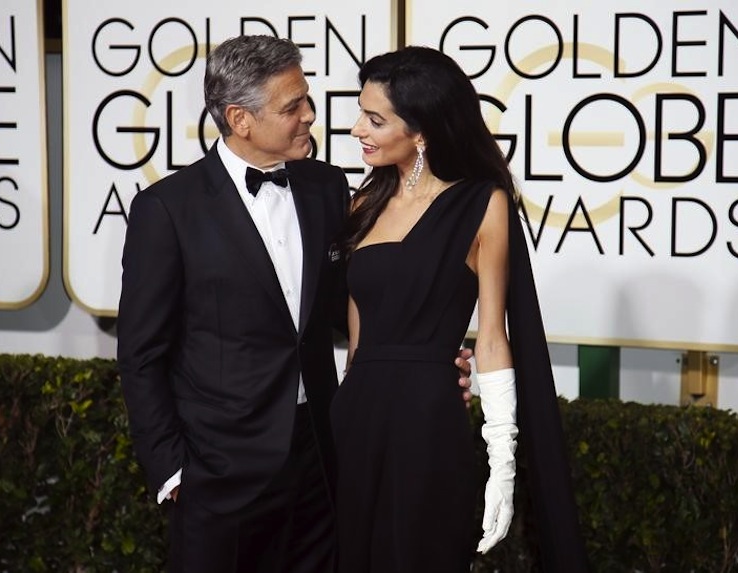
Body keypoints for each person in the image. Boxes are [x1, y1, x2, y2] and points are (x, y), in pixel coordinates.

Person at [116, 35, 473, 573]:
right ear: (240, 118)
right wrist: (172, 472)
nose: (310, 115)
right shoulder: (166, 210)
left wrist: (427, 355)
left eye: (307, 99)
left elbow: (348, 307)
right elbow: (141, 353)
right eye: (292, 107)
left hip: (321, 459)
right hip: (220, 470)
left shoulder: (327, 187)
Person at [330, 46, 589, 572]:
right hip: (354, 419)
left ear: (421, 130)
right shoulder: (363, 203)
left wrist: (502, 463)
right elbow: (359, 343)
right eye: (360, 112)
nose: (357, 128)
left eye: (375, 119)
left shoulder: (482, 203)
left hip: (427, 422)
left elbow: (492, 338)